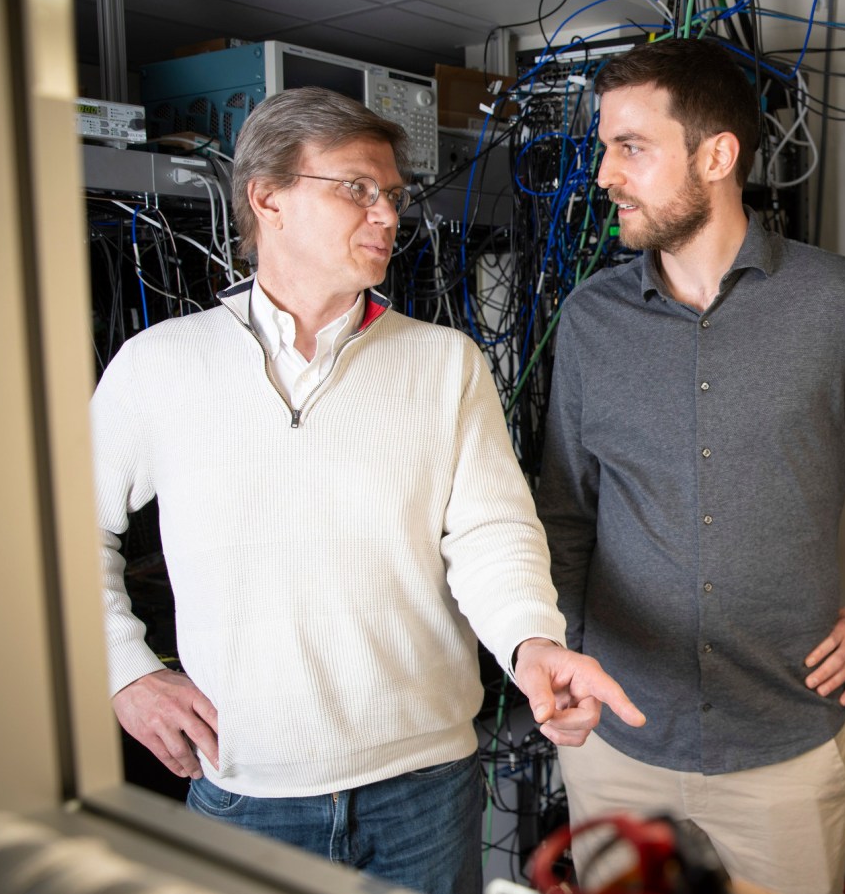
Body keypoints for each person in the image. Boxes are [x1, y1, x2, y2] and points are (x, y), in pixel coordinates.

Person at [91, 87, 644, 894]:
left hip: (424, 785)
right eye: (356, 188)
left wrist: (533, 642)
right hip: (249, 790)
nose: (386, 213)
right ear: (267, 196)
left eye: (392, 194)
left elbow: (493, 534)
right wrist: (124, 669)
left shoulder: (444, 363)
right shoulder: (159, 366)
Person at [536, 39, 845, 894]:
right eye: (604, 148)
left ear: (717, 156)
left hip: (782, 751)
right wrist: (565, 651)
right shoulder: (590, 321)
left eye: (632, 147)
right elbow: (566, 510)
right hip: (621, 745)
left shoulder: (841, 304)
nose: (605, 174)